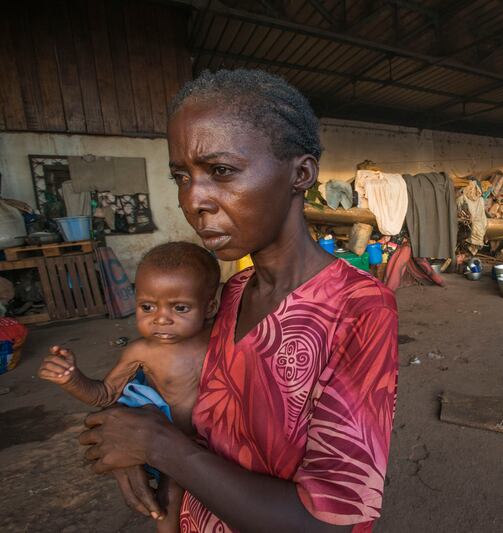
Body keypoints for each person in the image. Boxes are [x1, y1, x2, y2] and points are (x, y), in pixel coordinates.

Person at [77, 69, 399, 533]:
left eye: (221, 171)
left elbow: (330, 524)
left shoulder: (360, 308)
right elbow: (177, 398)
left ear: (300, 173)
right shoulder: (228, 294)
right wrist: (135, 434)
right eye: (181, 176)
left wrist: (160, 447)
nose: (194, 201)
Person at [38, 241, 220, 532]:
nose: (160, 318)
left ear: (209, 306)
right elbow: (104, 393)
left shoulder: (220, 337)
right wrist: (71, 378)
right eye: (147, 306)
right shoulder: (141, 352)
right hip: (171, 444)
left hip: (221, 441)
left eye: (180, 307)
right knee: (170, 496)